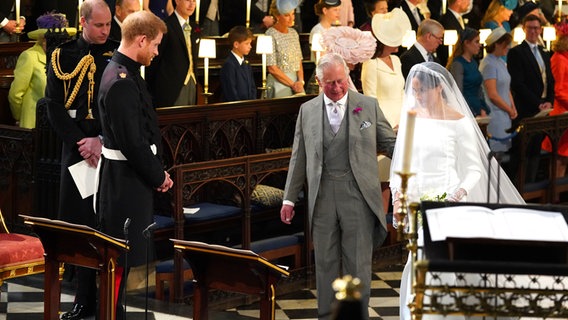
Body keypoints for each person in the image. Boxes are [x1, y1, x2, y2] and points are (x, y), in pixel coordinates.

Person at [389, 62, 525, 320]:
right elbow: (402, 163)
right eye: (414, 91)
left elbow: (474, 169)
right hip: (417, 201)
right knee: (417, 262)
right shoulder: (411, 118)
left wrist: (456, 195)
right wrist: (397, 198)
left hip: (448, 202)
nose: (417, 97)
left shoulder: (459, 122)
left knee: (436, 264)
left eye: (422, 91)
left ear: (439, 88)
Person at [280, 53, 396, 319]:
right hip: (321, 196)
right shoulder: (307, 111)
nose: (337, 87)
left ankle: (358, 316)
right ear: (319, 82)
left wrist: (412, 157)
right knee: (325, 263)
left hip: (357, 194)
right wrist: (288, 199)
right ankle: (326, 316)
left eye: (341, 81)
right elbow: (299, 156)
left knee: (358, 263)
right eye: (330, 83)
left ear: (348, 77)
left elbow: (390, 143)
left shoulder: (367, 105)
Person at [44, 1, 117, 319]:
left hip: (109, 149)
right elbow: (53, 105)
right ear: (83, 22)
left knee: (108, 226)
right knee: (79, 226)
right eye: (99, 25)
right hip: (77, 152)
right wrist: (80, 142)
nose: (105, 31)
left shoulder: (117, 54)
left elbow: (119, 106)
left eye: (109, 25)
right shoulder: (63, 54)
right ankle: (82, 299)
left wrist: (101, 140)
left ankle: (109, 301)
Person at [97, 10, 171, 316]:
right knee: (120, 257)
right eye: (154, 45)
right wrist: (158, 176)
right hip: (124, 181)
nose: (155, 51)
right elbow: (133, 142)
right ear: (141, 40)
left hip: (129, 178)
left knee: (128, 258)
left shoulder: (122, 72)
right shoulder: (121, 81)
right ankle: (111, 313)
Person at [361, 8, 410, 211]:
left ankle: (399, 227)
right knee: (383, 177)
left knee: (401, 176)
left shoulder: (397, 61)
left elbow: (404, 92)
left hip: (402, 122)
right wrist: (386, 126)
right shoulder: (370, 64)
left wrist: (406, 119)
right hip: (384, 125)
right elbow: (370, 99)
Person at [507, 14, 554, 183]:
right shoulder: (516, 52)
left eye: (536, 28)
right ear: (524, 29)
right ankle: (518, 189)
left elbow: (550, 79)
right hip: (526, 110)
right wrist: (538, 103)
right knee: (522, 152)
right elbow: (518, 84)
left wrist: (550, 101)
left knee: (536, 150)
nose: (533, 31)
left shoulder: (544, 51)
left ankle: (531, 186)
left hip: (543, 109)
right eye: (530, 28)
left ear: (540, 29)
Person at [9, 13, 76, 129]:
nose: (58, 43)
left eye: (62, 39)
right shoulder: (29, 56)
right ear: (42, 39)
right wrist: (20, 117)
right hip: (34, 124)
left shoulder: (66, 57)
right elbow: (15, 95)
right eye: (51, 39)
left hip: (60, 125)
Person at [147, 0, 198, 107]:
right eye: (188, 0)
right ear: (177, 1)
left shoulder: (194, 27)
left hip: (192, 83)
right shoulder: (166, 26)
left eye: (194, 0)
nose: (191, 4)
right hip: (171, 88)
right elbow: (155, 61)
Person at [479, 27, 516, 153]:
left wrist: (513, 107)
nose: (508, 47)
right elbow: (493, 94)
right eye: (506, 45)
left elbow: (506, 88)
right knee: (495, 156)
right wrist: (509, 109)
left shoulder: (500, 62)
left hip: (505, 113)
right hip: (496, 115)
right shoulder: (488, 64)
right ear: (497, 44)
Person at [542, 22, 568, 179]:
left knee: (564, 157)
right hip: (560, 111)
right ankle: (554, 195)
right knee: (559, 156)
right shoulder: (558, 59)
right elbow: (557, 89)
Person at [265, 0, 305, 98]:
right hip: (279, 83)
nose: (292, 18)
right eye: (287, 15)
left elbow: (298, 61)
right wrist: (292, 84)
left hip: (297, 84)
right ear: (277, 16)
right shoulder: (270, 34)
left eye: (293, 14)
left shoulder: (294, 33)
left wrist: (300, 81)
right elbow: (272, 68)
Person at [448, 27, 489, 118]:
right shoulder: (458, 64)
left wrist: (483, 108)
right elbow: (459, 93)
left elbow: (479, 89)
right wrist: (473, 112)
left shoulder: (473, 62)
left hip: (478, 108)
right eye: (476, 42)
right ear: (466, 43)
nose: (480, 45)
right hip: (467, 111)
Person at [220, 26, 257, 101]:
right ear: (236, 44)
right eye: (247, 43)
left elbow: (252, 87)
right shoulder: (229, 65)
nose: (250, 47)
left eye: (250, 43)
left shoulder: (246, 63)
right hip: (236, 108)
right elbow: (231, 91)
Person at [437, 0, 471, 67]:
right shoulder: (446, 20)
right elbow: (444, 50)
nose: (469, 3)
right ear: (459, 1)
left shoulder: (459, 18)